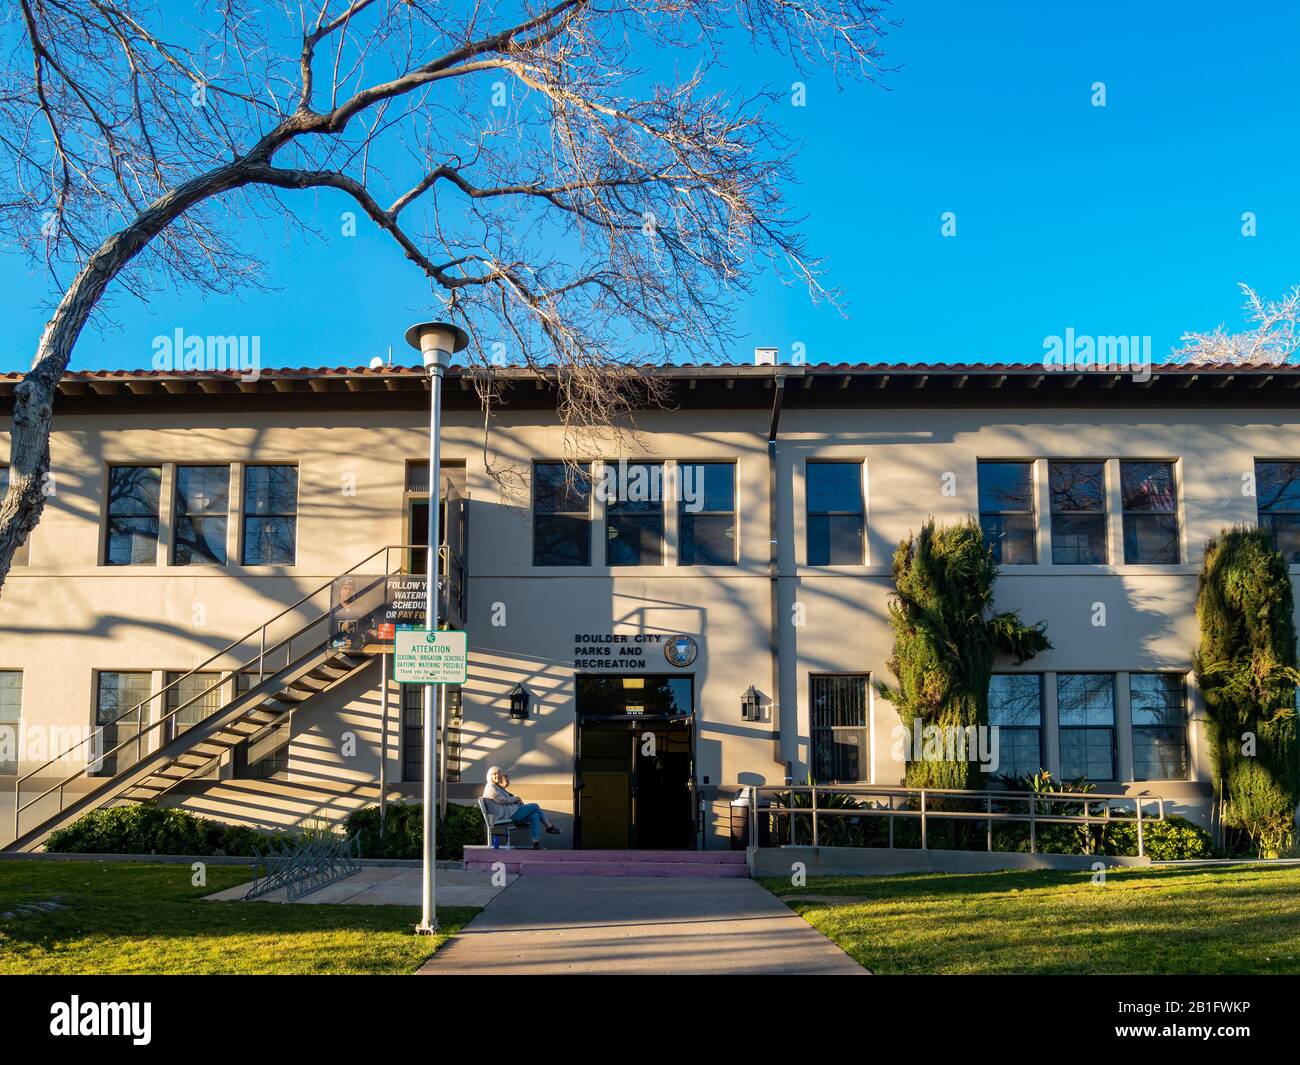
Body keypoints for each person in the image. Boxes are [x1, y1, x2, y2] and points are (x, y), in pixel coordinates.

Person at [482, 766, 560, 848]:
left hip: (511, 813)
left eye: (498, 773)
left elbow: (506, 798)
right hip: (507, 815)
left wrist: (515, 799)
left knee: (535, 816)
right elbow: (503, 800)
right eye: (494, 774)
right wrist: (517, 798)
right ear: (489, 776)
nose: (497, 776)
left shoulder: (496, 787)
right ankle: (549, 827)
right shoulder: (490, 787)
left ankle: (536, 843)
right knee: (535, 806)